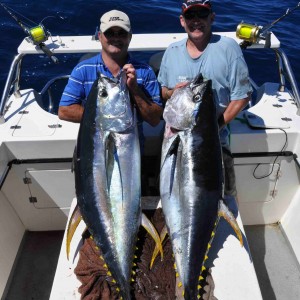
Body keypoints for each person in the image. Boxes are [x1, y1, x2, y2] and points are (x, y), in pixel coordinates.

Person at [158, 0, 253, 198]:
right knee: (173, 196)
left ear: (212, 17)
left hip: (216, 142)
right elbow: (163, 91)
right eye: (191, 16)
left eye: (202, 15)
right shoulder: (172, 51)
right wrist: (171, 92)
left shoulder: (228, 48)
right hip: (176, 140)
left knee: (222, 200)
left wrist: (214, 127)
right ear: (182, 21)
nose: (196, 21)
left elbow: (242, 96)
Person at [58, 10, 163, 151]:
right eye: (110, 33)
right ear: (100, 36)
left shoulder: (144, 71)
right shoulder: (83, 69)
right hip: (94, 153)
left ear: (130, 37)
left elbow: (155, 119)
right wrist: (107, 117)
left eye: (122, 33)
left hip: (131, 152)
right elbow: (64, 111)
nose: (116, 38)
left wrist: (135, 90)